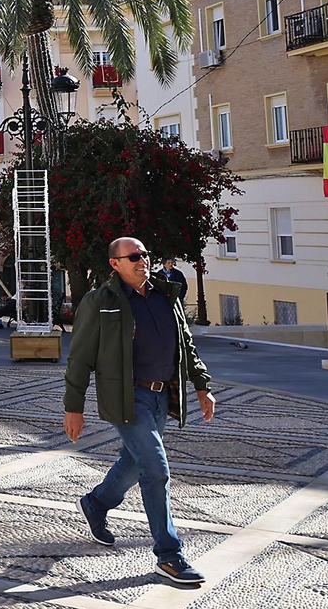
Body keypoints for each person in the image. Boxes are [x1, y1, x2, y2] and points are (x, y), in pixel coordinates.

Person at [65, 236, 217, 587]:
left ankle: (96, 503)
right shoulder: (99, 302)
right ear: (115, 264)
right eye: (133, 256)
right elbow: (80, 358)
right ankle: (169, 555)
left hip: (162, 396)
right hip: (126, 397)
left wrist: (202, 385)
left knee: (134, 463)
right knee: (156, 470)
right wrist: (73, 408)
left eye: (146, 254)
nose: (142, 260)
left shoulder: (167, 295)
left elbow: (186, 345)